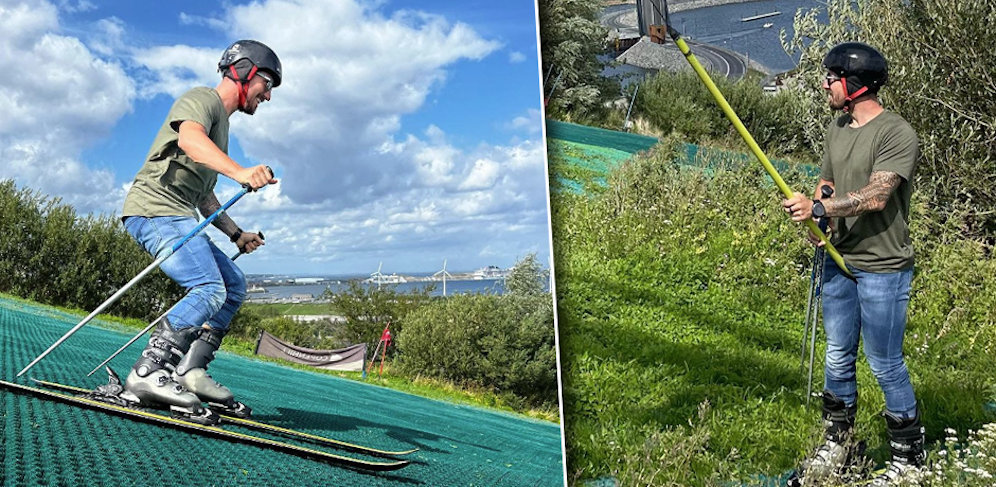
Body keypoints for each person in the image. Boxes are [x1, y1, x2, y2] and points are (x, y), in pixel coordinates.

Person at [118, 40, 281, 424]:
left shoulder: (220, 129)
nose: (268, 96)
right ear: (245, 71)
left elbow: (203, 195)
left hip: (179, 215)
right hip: (154, 211)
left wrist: (236, 234)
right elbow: (190, 140)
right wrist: (240, 172)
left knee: (233, 284)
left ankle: (188, 371)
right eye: (268, 83)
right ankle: (147, 372)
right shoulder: (202, 100)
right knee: (209, 287)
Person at [782, 42, 923, 486]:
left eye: (831, 78)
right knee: (838, 355)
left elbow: (877, 195)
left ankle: (909, 460)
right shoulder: (837, 126)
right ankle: (838, 446)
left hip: (883, 265)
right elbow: (827, 183)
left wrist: (820, 209)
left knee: (884, 362)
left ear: (856, 84)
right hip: (838, 259)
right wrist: (818, 218)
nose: (825, 85)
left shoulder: (897, 133)